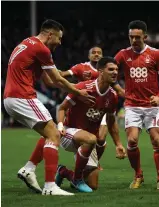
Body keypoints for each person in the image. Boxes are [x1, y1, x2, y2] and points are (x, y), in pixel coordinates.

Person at [3, 19, 95, 196]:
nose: (60, 43)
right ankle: (50, 186)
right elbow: (59, 80)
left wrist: (72, 82)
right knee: (54, 134)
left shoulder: (27, 43)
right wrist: (79, 92)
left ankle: (29, 169)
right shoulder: (41, 48)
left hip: (10, 98)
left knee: (49, 132)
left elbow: (49, 80)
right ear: (50, 34)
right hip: (22, 96)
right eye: (59, 38)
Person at [55, 57, 126, 192]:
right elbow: (62, 108)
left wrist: (118, 144)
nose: (115, 72)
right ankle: (77, 179)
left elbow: (111, 121)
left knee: (93, 185)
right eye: (111, 69)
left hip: (88, 141)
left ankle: (63, 172)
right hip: (69, 132)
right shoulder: (83, 87)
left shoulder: (112, 96)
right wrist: (59, 124)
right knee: (92, 139)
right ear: (100, 71)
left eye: (117, 70)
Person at [114, 20, 159, 190]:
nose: (134, 40)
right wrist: (118, 89)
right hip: (132, 105)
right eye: (131, 37)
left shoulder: (156, 54)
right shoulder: (123, 54)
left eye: (137, 37)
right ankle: (138, 175)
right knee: (131, 140)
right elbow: (108, 73)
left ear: (145, 36)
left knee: (156, 140)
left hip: (151, 106)